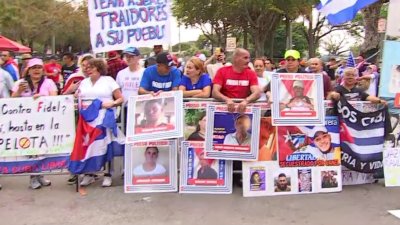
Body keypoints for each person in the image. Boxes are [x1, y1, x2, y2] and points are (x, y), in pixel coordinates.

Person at [76, 58, 124, 187]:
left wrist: (112, 103)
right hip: (87, 119)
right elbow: (78, 98)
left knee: (105, 145)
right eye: (86, 67)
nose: (88, 69)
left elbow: (120, 98)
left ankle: (108, 174)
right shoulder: (83, 83)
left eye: (91, 67)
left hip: (103, 117)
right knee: (88, 146)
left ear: (99, 68)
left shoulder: (108, 81)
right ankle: (89, 173)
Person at [12, 58, 57, 189]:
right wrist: (19, 91)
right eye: (34, 68)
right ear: (29, 70)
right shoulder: (21, 83)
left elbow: (55, 98)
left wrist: (43, 98)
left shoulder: (49, 82)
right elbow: (11, 101)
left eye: (39, 67)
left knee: (42, 149)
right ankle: (33, 177)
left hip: (44, 121)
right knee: (30, 149)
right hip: (26, 122)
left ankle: (40, 175)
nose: (37, 70)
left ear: (43, 70)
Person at [212, 48, 261, 113]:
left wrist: (246, 101)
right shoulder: (222, 71)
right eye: (245, 58)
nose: (248, 61)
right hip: (223, 110)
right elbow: (215, 92)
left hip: (243, 111)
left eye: (249, 58)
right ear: (236, 58)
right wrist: (227, 100)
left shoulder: (251, 73)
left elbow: (257, 93)